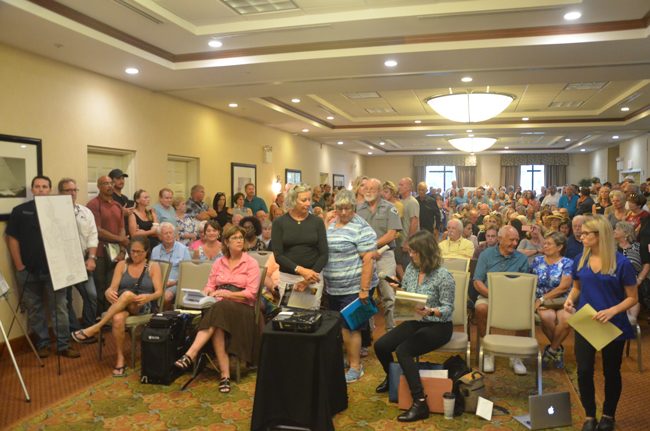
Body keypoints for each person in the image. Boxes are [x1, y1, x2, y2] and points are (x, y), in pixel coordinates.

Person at [565, 215, 638, 431]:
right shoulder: (580, 259)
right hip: (587, 321)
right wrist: (570, 300)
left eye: (587, 233)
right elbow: (577, 288)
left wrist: (612, 310)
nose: (581, 235)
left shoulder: (621, 263)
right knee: (584, 369)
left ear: (600, 236)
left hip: (612, 323)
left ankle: (608, 415)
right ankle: (589, 415)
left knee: (611, 371)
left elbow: (632, 297)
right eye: (582, 232)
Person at [374, 230, 454, 422]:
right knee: (381, 346)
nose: (410, 255)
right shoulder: (411, 269)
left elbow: (448, 309)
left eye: (414, 252)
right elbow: (410, 295)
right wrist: (399, 289)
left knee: (403, 351)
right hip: (416, 320)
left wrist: (431, 311)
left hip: (439, 325)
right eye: (410, 251)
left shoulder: (443, 276)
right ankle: (393, 377)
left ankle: (420, 402)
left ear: (426, 252)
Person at [173, 226, 261, 394]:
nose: (239, 241)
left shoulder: (251, 263)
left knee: (219, 308)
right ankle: (225, 376)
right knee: (218, 318)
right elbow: (210, 285)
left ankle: (190, 354)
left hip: (243, 309)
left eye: (241, 238)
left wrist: (228, 294)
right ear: (226, 242)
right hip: (220, 306)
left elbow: (251, 294)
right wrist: (206, 292)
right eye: (235, 238)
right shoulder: (219, 262)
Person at [6, 176, 78, 358]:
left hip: (56, 271)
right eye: (37, 187)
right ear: (32, 190)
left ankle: (63, 345)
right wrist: (19, 265)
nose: (41, 189)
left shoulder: (60, 211)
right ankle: (43, 344)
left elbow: (69, 237)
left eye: (44, 186)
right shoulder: (20, 211)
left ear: (50, 189)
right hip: (28, 270)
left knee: (60, 308)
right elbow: (12, 238)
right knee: (35, 309)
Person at [72, 237, 163, 376]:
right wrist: (108, 292)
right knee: (118, 318)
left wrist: (148, 297)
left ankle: (97, 327)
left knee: (127, 295)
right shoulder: (122, 265)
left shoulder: (153, 266)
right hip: (121, 305)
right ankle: (120, 358)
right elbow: (112, 288)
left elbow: (159, 292)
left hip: (142, 304)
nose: (135, 255)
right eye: (133, 251)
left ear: (146, 252)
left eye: (139, 252)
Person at [323, 189, 378, 383]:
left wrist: (364, 289)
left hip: (353, 287)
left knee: (351, 327)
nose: (343, 212)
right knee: (338, 327)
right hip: (333, 286)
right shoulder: (330, 224)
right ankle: (347, 361)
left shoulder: (361, 227)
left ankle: (356, 366)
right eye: (340, 208)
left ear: (354, 208)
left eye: (347, 208)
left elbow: (369, 260)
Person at [473, 225, 529, 374]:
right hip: (488, 296)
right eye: (511, 240)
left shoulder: (522, 258)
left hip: (513, 300)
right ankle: (488, 351)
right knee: (480, 308)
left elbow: (525, 285)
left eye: (517, 240)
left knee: (526, 312)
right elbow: (477, 281)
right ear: (500, 239)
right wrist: (494, 296)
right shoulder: (486, 255)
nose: (515, 244)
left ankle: (516, 355)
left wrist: (509, 300)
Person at [271, 184, 328, 308]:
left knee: (311, 317)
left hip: (313, 278)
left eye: (309, 199)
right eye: (303, 200)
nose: (308, 204)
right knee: (288, 316)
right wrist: (301, 270)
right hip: (288, 278)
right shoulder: (279, 223)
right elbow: (278, 255)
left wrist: (308, 278)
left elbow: (324, 254)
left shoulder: (317, 222)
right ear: (292, 201)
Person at [357, 178, 402, 331]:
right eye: (366, 188)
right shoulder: (357, 210)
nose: (368, 191)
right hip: (364, 257)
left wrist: (372, 246)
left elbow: (391, 234)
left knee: (388, 295)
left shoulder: (390, 208)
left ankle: (391, 330)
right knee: (366, 296)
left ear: (380, 191)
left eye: (373, 189)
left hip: (385, 256)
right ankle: (368, 333)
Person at [58, 178, 99, 335]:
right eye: (68, 190)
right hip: (62, 263)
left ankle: (87, 329)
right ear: (60, 192)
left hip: (83, 260)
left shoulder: (85, 212)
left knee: (91, 295)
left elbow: (92, 236)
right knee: (65, 300)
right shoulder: (54, 213)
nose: (72, 193)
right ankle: (74, 330)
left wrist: (91, 258)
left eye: (75, 190)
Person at [530, 232, 573, 369]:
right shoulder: (537, 261)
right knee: (547, 317)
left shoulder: (567, 263)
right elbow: (531, 281)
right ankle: (557, 349)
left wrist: (542, 299)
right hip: (542, 302)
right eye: (545, 243)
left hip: (562, 300)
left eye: (549, 244)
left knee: (567, 320)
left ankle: (552, 350)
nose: (545, 245)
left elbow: (564, 287)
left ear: (559, 247)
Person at [87, 175, 129, 316]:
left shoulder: (117, 205)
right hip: (99, 254)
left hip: (116, 254)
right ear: (99, 186)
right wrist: (120, 240)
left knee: (112, 288)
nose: (110, 186)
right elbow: (97, 230)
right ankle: (99, 319)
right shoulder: (93, 204)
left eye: (111, 183)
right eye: (106, 183)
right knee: (100, 288)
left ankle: (110, 317)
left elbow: (122, 228)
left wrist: (123, 250)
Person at [150, 222, 192, 308]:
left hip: (175, 284)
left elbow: (188, 272)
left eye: (170, 233)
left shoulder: (183, 249)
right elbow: (151, 269)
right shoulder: (155, 250)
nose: (169, 235)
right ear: (160, 236)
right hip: (156, 283)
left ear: (174, 234)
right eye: (165, 233)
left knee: (166, 297)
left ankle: (165, 318)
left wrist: (174, 282)